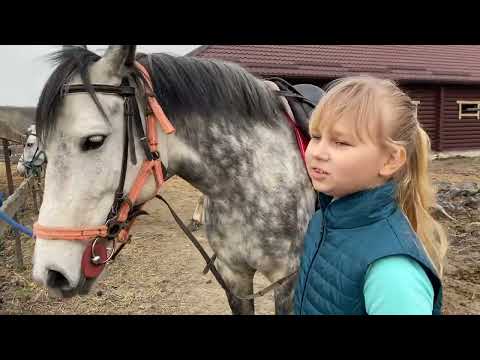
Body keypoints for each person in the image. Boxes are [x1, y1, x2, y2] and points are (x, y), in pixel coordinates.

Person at [293, 75, 448, 315]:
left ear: (390, 160)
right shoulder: (320, 222)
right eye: (315, 136)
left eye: (341, 142)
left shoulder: (393, 271)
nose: (318, 153)